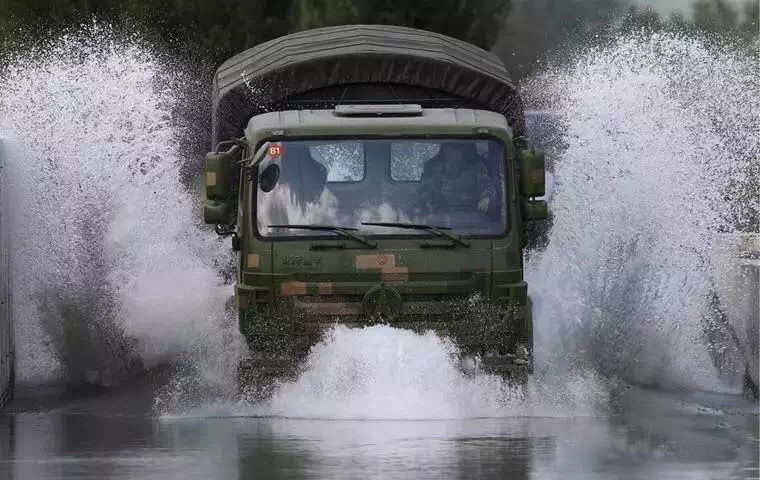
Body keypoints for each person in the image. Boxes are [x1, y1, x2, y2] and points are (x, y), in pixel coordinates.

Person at [419, 141, 498, 216]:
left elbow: (488, 188)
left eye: (457, 147)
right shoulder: (432, 167)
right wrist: (426, 204)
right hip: (437, 217)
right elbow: (423, 191)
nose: (451, 150)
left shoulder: (476, 168)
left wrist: (486, 199)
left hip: (471, 217)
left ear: (464, 149)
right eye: (448, 146)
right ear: (443, 147)